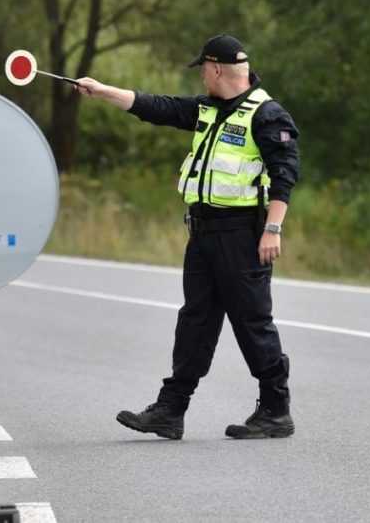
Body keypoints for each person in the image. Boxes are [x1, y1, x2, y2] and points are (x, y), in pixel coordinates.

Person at [75, 34, 300, 440]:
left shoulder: (266, 114)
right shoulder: (208, 110)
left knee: (251, 321)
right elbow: (155, 106)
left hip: (242, 234)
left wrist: (272, 228)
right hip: (202, 232)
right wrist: (102, 90)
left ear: (215, 69)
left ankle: (275, 409)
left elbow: (285, 173)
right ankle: (171, 409)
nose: (200, 79)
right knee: (195, 320)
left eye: (203, 70)